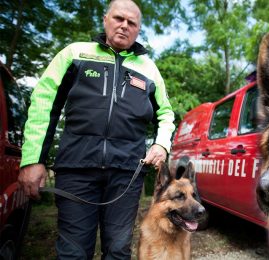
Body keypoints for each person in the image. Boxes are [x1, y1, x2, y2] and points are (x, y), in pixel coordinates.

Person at [18, 0, 175, 259]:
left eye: (132, 23)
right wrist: (34, 159)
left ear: (138, 29)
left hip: (127, 174)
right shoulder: (74, 53)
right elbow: (44, 103)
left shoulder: (149, 69)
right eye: (118, 18)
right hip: (76, 170)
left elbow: (165, 113)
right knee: (73, 253)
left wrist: (161, 144)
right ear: (105, 19)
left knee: (118, 250)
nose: (124, 26)